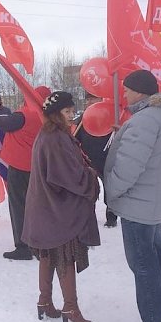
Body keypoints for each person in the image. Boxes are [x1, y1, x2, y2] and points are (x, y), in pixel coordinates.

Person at [103, 70, 161, 322]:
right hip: (154, 203)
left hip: (137, 206)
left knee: (143, 267)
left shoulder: (145, 121)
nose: (124, 94)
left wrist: (111, 193)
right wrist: (127, 130)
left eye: (127, 90)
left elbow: (129, 168)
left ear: (139, 91)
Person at [22, 91, 100, 322]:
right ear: (56, 114)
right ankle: (70, 307)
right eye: (67, 112)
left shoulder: (48, 134)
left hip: (45, 207)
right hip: (58, 210)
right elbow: (67, 175)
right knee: (65, 256)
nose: (71, 115)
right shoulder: (56, 138)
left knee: (48, 255)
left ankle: (44, 301)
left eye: (72, 110)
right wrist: (91, 178)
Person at [0, 85, 51, 260]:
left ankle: (23, 247)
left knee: (18, 207)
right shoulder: (47, 117)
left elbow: (2, 123)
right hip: (39, 168)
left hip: (19, 168)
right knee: (38, 207)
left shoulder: (25, 115)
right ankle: (40, 245)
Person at [74, 91, 116, 227]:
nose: (89, 102)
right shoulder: (83, 118)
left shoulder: (110, 116)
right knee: (88, 190)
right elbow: (75, 136)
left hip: (106, 160)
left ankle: (111, 216)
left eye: (93, 99)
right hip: (87, 161)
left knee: (109, 189)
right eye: (88, 100)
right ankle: (87, 216)